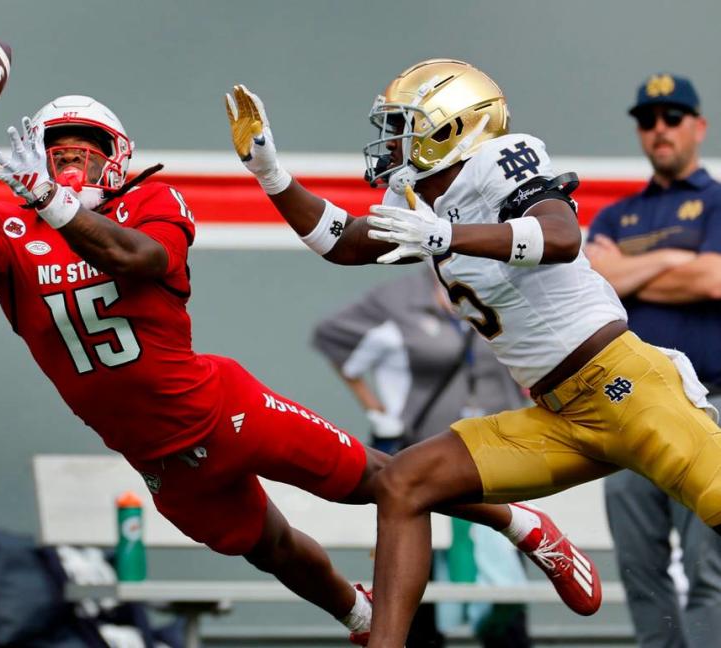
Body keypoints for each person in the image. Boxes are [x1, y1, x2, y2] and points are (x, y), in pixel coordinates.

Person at [0, 60, 599, 646]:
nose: (70, 159)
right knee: (272, 549)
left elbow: (139, 258)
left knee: (377, 481)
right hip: (156, 459)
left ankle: (522, 523)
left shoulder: (149, 202)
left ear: (116, 157)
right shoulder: (13, 225)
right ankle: (357, 615)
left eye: (86, 149)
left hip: (221, 409)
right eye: (58, 149)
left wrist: (56, 205)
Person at [224, 58, 721, 647]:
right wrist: (272, 174)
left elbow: (561, 236)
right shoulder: (417, 194)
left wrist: (446, 236)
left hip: (626, 388)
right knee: (404, 483)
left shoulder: (499, 159)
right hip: (559, 415)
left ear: (452, 126)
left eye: (407, 126)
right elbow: (345, 243)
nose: (394, 141)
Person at [312, 267, 532, 648]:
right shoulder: (399, 298)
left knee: (506, 586)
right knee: (418, 594)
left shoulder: (503, 290)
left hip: (497, 458)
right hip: (423, 457)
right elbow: (332, 337)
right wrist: (380, 411)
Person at [585, 73, 721, 648]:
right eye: (648, 119)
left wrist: (631, 272)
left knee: (709, 572)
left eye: (671, 117)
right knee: (641, 574)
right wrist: (675, 259)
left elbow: (714, 278)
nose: (659, 129)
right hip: (629, 411)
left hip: (709, 406)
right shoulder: (616, 217)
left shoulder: (717, 202)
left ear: (698, 126)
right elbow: (594, 283)